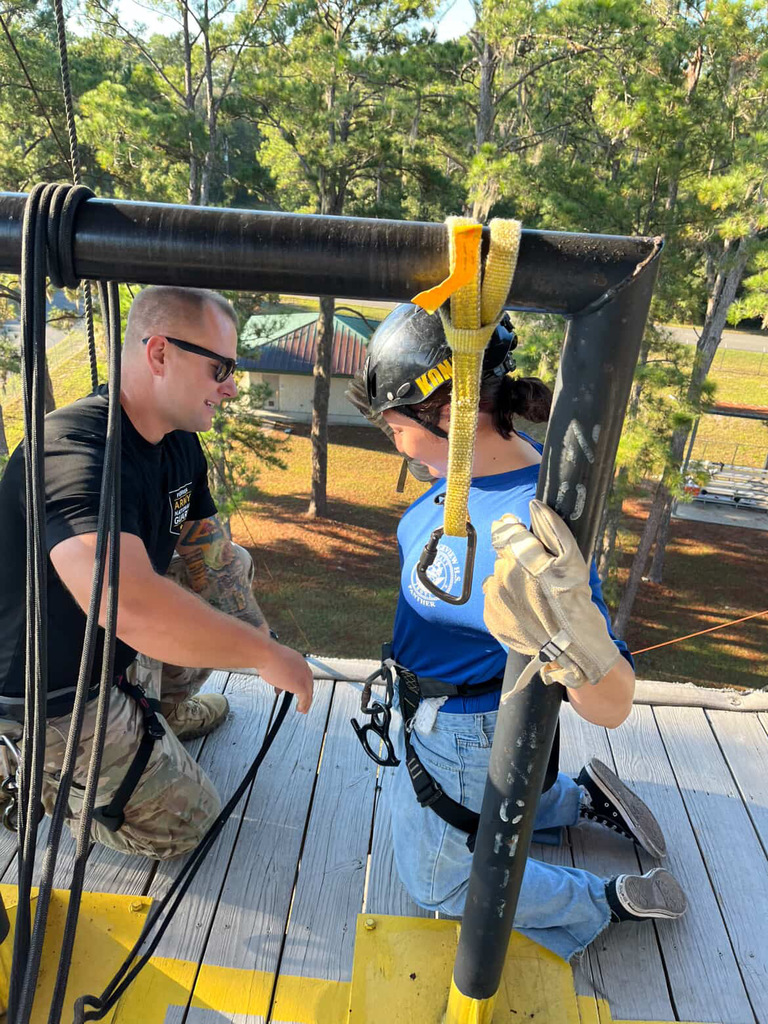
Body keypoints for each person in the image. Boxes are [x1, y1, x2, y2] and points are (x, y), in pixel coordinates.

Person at [350, 303, 687, 963]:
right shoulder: (464, 477)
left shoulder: (530, 529)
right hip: (432, 708)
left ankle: (603, 900)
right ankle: (566, 801)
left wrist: (568, 635)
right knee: (447, 814)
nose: (393, 442)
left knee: (437, 877)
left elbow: (611, 702)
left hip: (463, 728)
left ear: (448, 413)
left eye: (393, 427)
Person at [0, 286, 314, 859]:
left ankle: (160, 714)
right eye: (221, 367)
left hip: (112, 657)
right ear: (160, 353)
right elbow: (125, 602)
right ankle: (45, 783)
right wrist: (264, 657)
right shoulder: (70, 449)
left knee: (228, 565)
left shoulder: (177, 443)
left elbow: (212, 558)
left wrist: (262, 640)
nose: (231, 385)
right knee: (188, 823)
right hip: (51, 697)